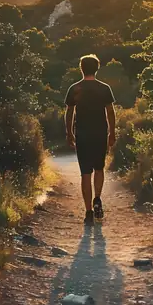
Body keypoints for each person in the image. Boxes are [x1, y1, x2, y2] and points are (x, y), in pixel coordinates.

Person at [65, 54, 116, 223]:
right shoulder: (104, 88)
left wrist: (69, 132)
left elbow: (70, 112)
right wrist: (112, 133)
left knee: (85, 173)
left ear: (81, 68)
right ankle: (98, 199)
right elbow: (110, 111)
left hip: (82, 134)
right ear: (97, 68)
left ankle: (88, 212)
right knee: (99, 168)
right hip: (100, 133)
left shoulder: (74, 88)